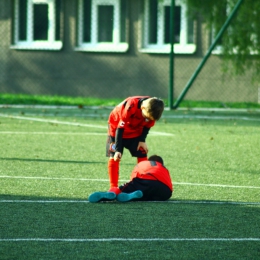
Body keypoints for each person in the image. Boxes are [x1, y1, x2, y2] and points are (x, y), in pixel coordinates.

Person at [106, 96, 164, 195]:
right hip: (115, 130)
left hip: (134, 130)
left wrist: (142, 140)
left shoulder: (153, 108)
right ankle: (113, 188)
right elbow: (120, 128)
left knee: (142, 151)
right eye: (146, 117)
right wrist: (118, 150)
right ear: (142, 108)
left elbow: (147, 126)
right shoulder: (130, 106)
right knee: (115, 157)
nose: (147, 119)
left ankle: (142, 184)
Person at [88, 155, 173, 203]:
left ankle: (112, 193)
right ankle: (139, 196)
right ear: (161, 163)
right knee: (151, 196)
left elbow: (134, 178)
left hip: (144, 180)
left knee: (124, 189)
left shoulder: (143, 163)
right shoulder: (164, 168)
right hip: (165, 190)